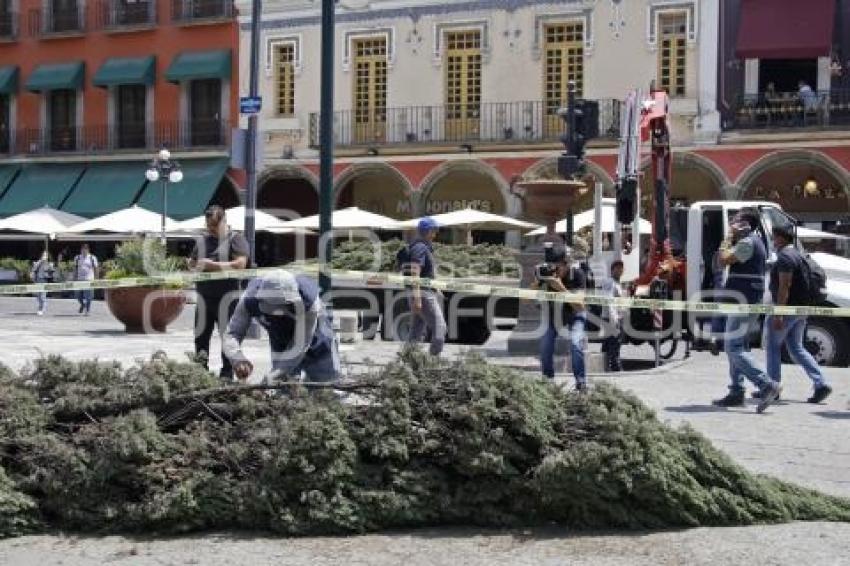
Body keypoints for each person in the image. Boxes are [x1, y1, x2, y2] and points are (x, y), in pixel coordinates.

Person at [712, 209, 782, 412]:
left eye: (736, 220)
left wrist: (727, 238)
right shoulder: (751, 242)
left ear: (746, 224)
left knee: (732, 347)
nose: (733, 223)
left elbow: (723, 260)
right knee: (739, 346)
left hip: (744, 302)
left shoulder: (748, 243)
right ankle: (736, 391)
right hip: (744, 300)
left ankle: (767, 384)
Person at [224, 270, 340, 383]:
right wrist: (237, 359)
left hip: (318, 341)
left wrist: (275, 374)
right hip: (280, 342)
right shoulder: (248, 300)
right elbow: (232, 334)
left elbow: (299, 345)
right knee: (285, 392)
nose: (278, 314)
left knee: (327, 388)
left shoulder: (309, 302)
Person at [762, 223, 832, 404]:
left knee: (772, 347)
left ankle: (772, 387)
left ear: (781, 238)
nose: (773, 241)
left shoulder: (785, 257)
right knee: (796, 348)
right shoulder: (798, 254)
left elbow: (785, 286)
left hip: (787, 310)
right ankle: (821, 383)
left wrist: (779, 313)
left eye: (774, 237)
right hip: (801, 310)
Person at [189, 205, 249, 380]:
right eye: (208, 225)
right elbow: (192, 262)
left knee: (228, 338)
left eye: (214, 225)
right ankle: (200, 373)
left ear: (224, 221)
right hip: (204, 297)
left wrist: (211, 265)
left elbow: (240, 264)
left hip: (228, 299)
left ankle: (227, 375)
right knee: (200, 338)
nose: (211, 229)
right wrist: (194, 265)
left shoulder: (236, 239)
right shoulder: (203, 240)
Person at [534, 244, 588, 390]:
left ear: (567, 264)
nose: (555, 271)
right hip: (554, 315)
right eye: (553, 267)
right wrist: (537, 282)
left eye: (558, 267)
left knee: (576, 344)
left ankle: (581, 382)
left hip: (575, 314)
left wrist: (561, 288)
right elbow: (526, 299)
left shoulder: (578, 274)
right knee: (545, 345)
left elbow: (580, 306)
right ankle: (548, 381)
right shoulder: (547, 274)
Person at [405, 217, 447, 356]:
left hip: (424, 292)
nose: (435, 234)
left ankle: (407, 360)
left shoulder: (422, 246)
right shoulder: (420, 247)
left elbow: (426, 273)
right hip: (423, 294)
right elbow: (415, 272)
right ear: (428, 231)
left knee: (416, 331)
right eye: (434, 230)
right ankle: (433, 360)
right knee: (440, 328)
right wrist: (417, 298)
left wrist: (436, 287)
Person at [599, 259, 624, 372]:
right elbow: (609, 301)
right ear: (612, 270)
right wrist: (614, 319)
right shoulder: (610, 282)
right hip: (610, 318)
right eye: (617, 268)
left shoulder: (617, 283)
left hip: (614, 317)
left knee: (608, 343)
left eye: (621, 268)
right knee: (614, 343)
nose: (619, 270)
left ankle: (604, 366)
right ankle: (614, 366)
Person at [73, 244, 98, 316]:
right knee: (77, 295)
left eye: (85, 249)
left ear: (88, 250)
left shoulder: (92, 258)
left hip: (89, 279)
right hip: (79, 279)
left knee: (88, 296)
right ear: (81, 250)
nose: (84, 251)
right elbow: (75, 268)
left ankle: (88, 310)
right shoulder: (77, 258)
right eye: (82, 249)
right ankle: (83, 304)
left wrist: (96, 279)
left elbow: (96, 268)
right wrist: (74, 278)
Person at [30, 251, 55, 316]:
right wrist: (32, 276)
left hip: (44, 281)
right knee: (38, 296)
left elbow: (52, 273)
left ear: (47, 257)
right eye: (43, 255)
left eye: (45, 256)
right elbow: (33, 270)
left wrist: (52, 267)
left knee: (43, 296)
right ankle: (42, 306)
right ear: (41, 256)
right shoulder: (38, 262)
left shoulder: (48, 264)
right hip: (38, 281)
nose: (44, 257)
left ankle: (41, 309)